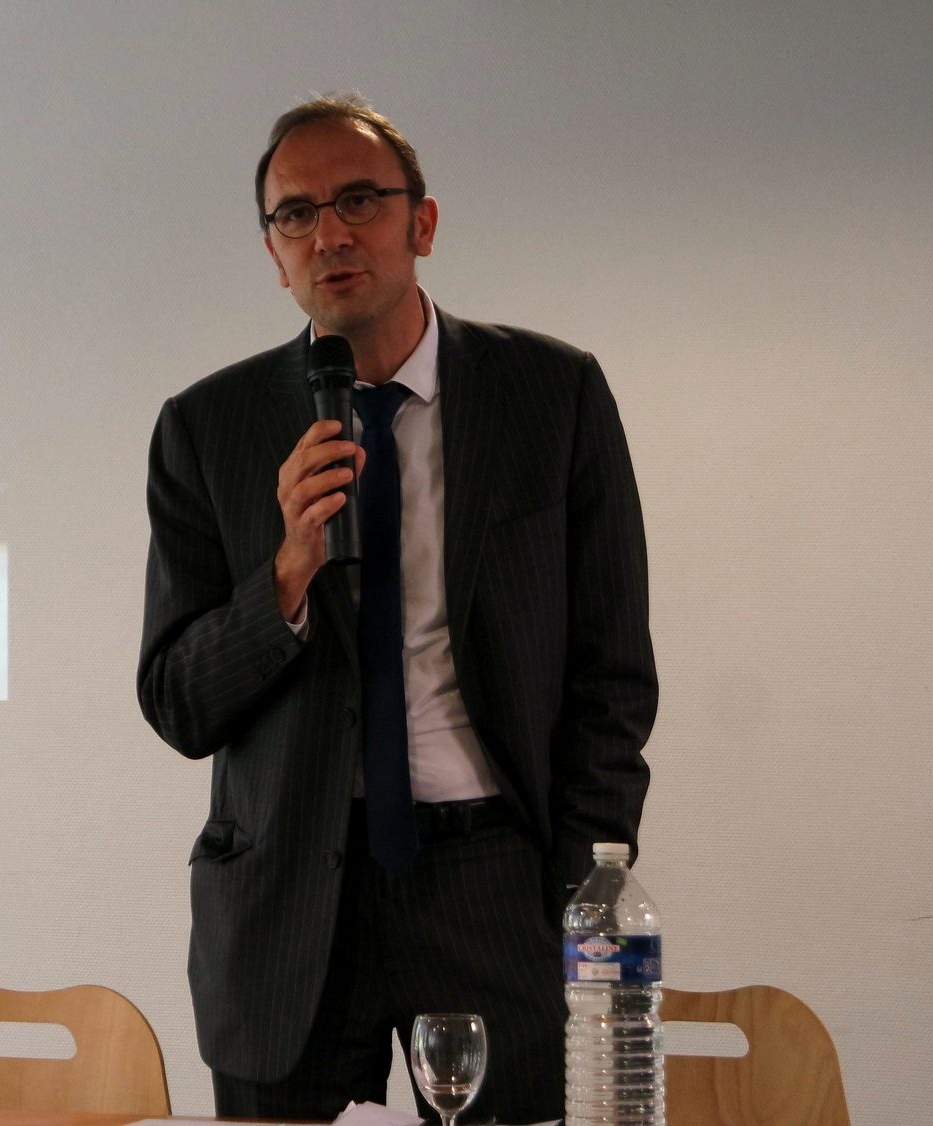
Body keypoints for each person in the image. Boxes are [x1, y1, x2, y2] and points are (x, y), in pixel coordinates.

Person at [137, 93, 657, 1122]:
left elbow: (611, 672)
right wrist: (283, 574)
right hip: (285, 900)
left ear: (419, 224)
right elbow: (175, 703)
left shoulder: (549, 396)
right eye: (295, 214)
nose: (328, 232)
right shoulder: (207, 428)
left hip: (486, 886)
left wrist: (570, 889)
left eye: (358, 200)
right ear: (272, 252)